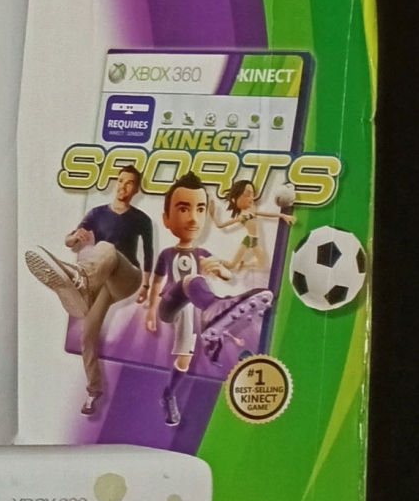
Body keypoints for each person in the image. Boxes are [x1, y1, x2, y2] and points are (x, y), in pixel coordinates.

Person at [25, 164, 152, 416]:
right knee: (87, 335)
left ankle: (78, 278)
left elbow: (148, 254)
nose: (123, 186)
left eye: (129, 183)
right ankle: (94, 391)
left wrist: (146, 286)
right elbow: (69, 239)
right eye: (121, 180)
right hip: (102, 281)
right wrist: (75, 238)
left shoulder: (141, 219)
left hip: (128, 277)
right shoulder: (97, 213)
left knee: (106, 248)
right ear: (116, 182)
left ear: (136, 189)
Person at [140, 173, 232, 427]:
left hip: (189, 312)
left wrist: (222, 271)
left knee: (184, 360)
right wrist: (151, 310)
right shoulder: (167, 254)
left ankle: (169, 394)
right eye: (183, 209)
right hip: (169, 305)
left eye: (200, 209)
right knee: (190, 280)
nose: (193, 218)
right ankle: (217, 310)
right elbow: (157, 282)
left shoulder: (203, 253)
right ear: (167, 219)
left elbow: (225, 273)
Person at [217, 177, 293, 277]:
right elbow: (221, 225)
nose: (251, 198)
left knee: (262, 264)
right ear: (235, 198)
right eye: (247, 194)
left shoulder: (251, 211)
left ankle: (244, 264)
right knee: (231, 265)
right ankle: (214, 261)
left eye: (252, 194)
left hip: (254, 241)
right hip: (248, 240)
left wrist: (283, 216)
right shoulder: (242, 216)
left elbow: (266, 214)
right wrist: (213, 215)